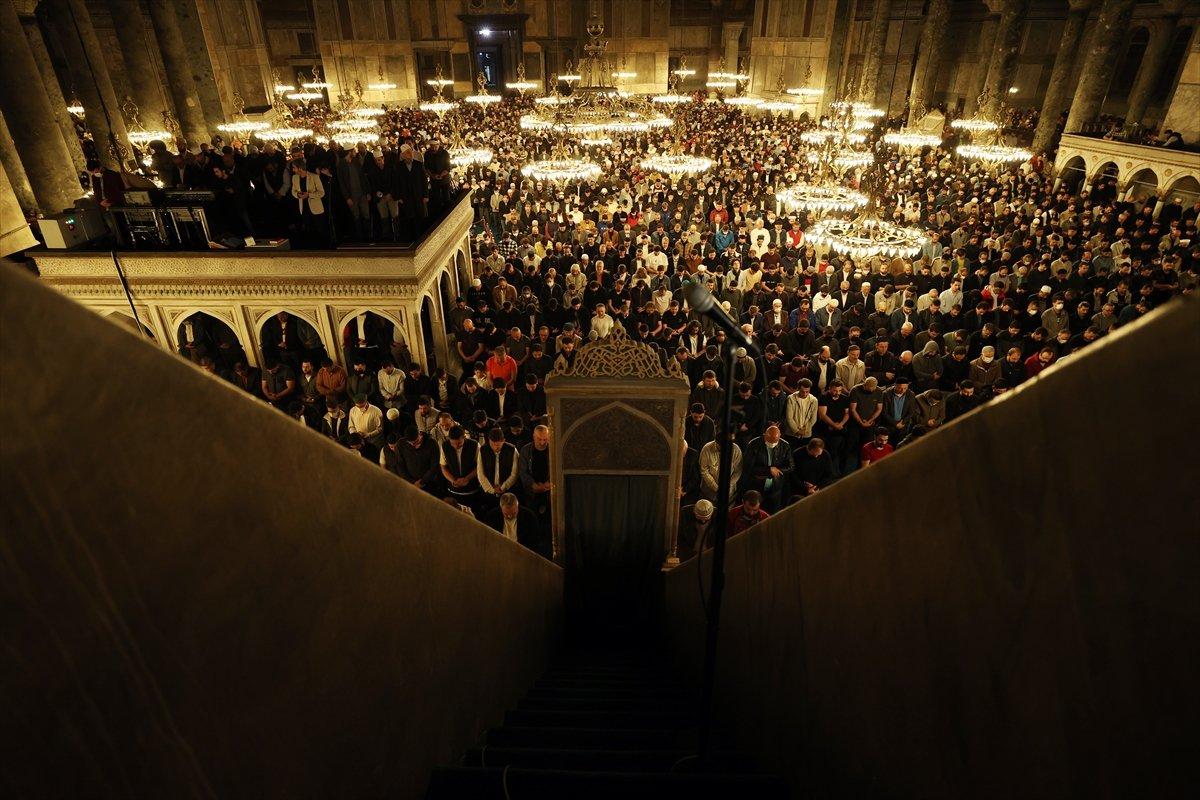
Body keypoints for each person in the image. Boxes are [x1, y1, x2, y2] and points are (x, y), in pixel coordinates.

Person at [742, 424, 794, 513]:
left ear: (780, 436)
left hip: (775, 488)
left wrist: (778, 470)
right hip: (756, 487)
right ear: (764, 435)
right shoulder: (754, 444)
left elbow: (791, 466)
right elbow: (748, 467)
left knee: (773, 513)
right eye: (769, 442)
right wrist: (769, 470)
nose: (772, 445)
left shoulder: (785, 446)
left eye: (775, 443)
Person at [477, 427, 520, 512]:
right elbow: (480, 472)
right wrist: (492, 490)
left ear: (503, 441)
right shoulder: (483, 450)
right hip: (488, 492)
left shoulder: (512, 450)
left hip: (508, 491)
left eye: (498, 445)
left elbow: (515, 473)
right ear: (489, 441)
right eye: (492, 444)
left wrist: (503, 487)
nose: (495, 447)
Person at [440, 425, 480, 511]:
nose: (455, 446)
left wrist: (466, 479)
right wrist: (453, 480)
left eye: (458, 443)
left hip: (472, 490)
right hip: (453, 490)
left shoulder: (475, 445)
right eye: (452, 443)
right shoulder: (445, 445)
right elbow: (443, 467)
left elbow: (480, 467)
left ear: (464, 437)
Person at [699, 434, 743, 502]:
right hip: (708, 493)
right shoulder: (707, 448)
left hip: (728, 493)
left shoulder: (736, 450)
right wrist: (716, 488)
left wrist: (727, 486)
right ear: (716, 442)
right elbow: (704, 471)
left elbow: (738, 471)